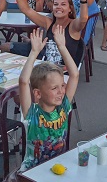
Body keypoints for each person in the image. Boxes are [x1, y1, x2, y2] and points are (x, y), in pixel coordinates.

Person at [18, 27, 79, 171]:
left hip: (58, 166)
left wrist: (62, 46)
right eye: (54, 88)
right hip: (33, 171)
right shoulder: (32, 113)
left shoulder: (63, 106)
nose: (61, 91)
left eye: (62, 86)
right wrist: (34, 52)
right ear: (38, 94)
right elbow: (23, 82)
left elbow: (74, 75)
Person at [4, 0, 88, 66]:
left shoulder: (73, 26)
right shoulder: (49, 22)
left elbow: (83, 19)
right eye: (56, 4)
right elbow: (26, 10)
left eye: (63, 4)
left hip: (62, 71)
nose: (58, 7)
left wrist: (83, 0)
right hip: (45, 67)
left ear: (70, 9)